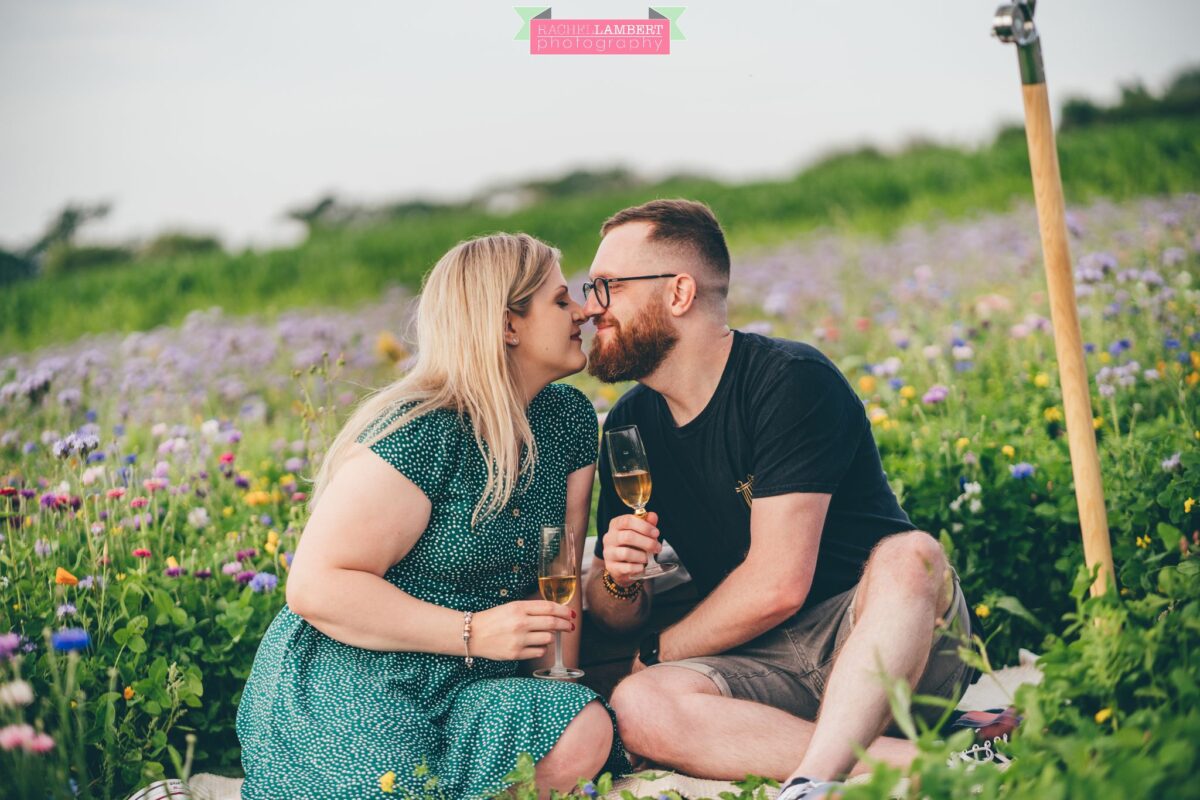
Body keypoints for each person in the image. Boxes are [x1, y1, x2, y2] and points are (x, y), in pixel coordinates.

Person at [580, 199, 982, 799]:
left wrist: (658, 650)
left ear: (679, 293)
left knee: (911, 554)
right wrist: (618, 579)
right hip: (761, 664)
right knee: (639, 704)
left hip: (879, 636)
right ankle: (939, 757)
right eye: (591, 288)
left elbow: (777, 585)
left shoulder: (789, 380)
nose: (591, 306)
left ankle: (813, 781)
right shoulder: (630, 424)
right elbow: (619, 615)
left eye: (609, 287)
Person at [236, 233, 626, 800]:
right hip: (363, 671)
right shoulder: (427, 429)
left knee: (582, 725)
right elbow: (316, 587)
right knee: (392, 787)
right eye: (561, 301)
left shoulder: (567, 418)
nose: (585, 311)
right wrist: (473, 632)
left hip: (474, 680)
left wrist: (554, 677)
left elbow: (557, 571)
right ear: (508, 324)